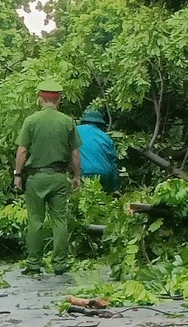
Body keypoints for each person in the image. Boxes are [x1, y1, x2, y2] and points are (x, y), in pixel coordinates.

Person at [14, 79, 81, 276]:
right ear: (59, 99)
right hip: (59, 177)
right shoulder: (67, 122)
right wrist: (77, 176)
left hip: (36, 177)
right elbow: (75, 154)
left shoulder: (31, 121)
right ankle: (59, 264)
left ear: (40, 99)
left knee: (36, 220)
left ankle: (34, 263)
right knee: (59, 219)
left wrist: (18, 174)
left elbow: (22, 151)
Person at [76, 109, 120, 192]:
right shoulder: (105, 137)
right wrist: (115, 188)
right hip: (104, 174)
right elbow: (113, 164)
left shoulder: (75, 131)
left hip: (85, 172)